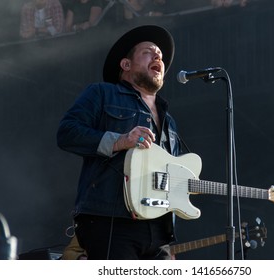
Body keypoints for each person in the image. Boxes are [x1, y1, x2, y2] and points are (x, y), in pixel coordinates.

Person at [57, 25, 181, 260]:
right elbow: (67, 133)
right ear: (126, 65)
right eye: (148, 51)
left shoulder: (169, 121)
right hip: (111, 220)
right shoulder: (102, 94)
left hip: (158, 229)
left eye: (160, 56)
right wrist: (120, 140)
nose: (158, 56)